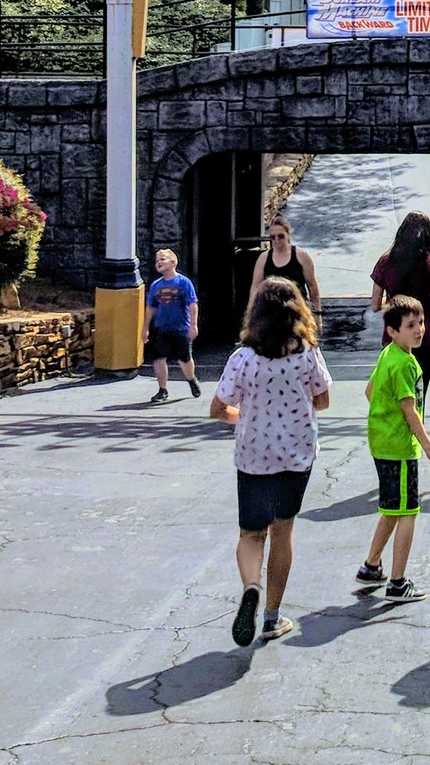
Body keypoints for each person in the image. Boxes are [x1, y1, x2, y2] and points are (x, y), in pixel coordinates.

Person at [211, 277, 333, 646]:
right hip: (296, 454)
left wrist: (244, 416)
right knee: (283, 530)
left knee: (251, 533)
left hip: (254, 454)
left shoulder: (244, 358)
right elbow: (323, 400)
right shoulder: (307, 353)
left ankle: (251, 586)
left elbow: (218, 408)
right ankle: (272, 616)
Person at [355, 296, 430, 602]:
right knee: (408, 512)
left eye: (422, 323)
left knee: (392, 508)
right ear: (392, 330)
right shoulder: (404, 364)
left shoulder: (389, 354)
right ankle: (397, 582)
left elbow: (370, 390)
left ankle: (372, 565)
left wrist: (383, 418)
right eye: (411, 325)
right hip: (399, 448)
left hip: (383, 443)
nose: (419, 330)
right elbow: (410, 410)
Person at [370, 212, 430, 397]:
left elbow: (374, 305)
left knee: (396, 397)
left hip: (394, 338)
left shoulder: (385, 261)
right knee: (418, 398)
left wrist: (392, 303)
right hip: (424, 337)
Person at [142, 248, 200, 403]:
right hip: (162, 328)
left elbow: (192, 304)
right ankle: (162, 389)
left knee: (184, 359)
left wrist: (193, 325)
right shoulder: (155, 285)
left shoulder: (183, 282)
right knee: (159, 358)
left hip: (180, 328)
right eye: (157, 260)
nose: (159, 262)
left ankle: (191, 379)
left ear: (173, 262)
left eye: (163, 259)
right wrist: (145, 327)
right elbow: (151, 307)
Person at [250, 218, 321, 311]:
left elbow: (312, 286)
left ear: (288, 235)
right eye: (273, 237)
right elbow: (255, 287)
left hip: (298, 308)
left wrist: (317, 313)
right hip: (271, 309)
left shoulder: (301, 256)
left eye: (280, 236)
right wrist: (251, 313)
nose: (277, 240)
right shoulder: (263, 258)